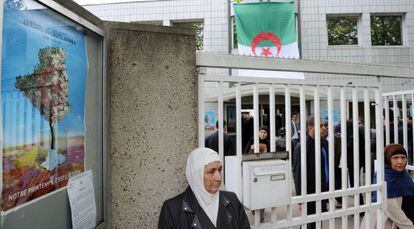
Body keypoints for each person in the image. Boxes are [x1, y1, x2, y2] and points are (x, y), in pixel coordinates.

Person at [158, 148, 250, 229]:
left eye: (220, 170)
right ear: (196, 175)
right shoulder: (172, 209)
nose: (218, 177)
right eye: (211, 171)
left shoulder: (232, 200)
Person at [361, 144, 414, 229]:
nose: (400, 161)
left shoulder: (403, 175)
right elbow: (393, 210)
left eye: (403, 157)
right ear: (387, 159)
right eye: (395, 158)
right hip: (390, 223)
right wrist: (410, 226)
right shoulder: (384, 178)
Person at [293, 115, 329, 229]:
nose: (324, 127)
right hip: (310, 192)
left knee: (318, 222)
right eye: (320, 125)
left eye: (325, 125)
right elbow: (298, 174)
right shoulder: (303, 146)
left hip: (323, 190)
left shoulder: (324, 143)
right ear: (310, 128)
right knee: (309, 223)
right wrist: (300, 198)